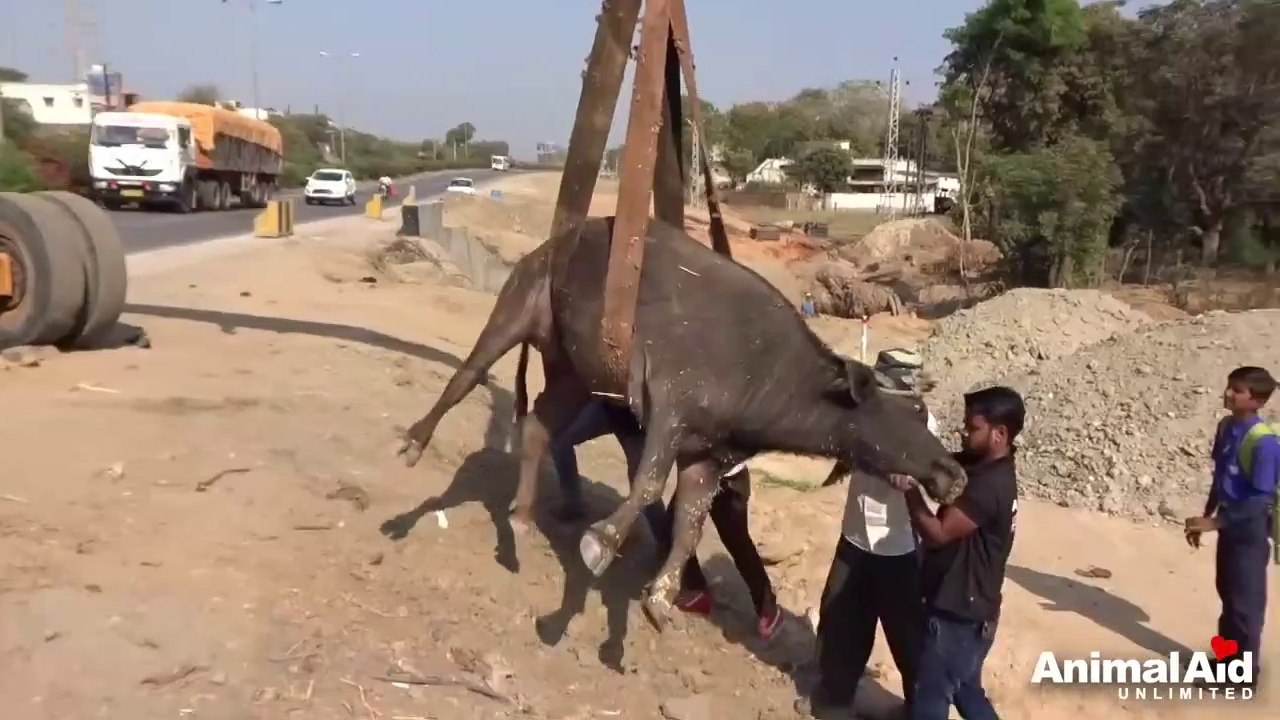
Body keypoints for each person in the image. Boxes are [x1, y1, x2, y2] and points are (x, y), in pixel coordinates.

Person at [551, 400, 782, 640]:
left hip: (726, 482)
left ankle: (769, 608)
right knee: (675, 529)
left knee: (737, 543)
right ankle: (696, 589)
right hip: (698, 479)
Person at [798, 348, 938, 719]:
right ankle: (835, 696)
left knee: (908, 636)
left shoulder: (925, 428)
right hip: (856, 538)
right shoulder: (862, 417)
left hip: (900, 550)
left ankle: (920, 707)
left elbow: (924, 479)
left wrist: (905, 479)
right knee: (841, 620)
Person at [900, 385, 1023, 720]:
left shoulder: (989, 487)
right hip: (976, 612)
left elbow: (939, 534)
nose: (964, 432)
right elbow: (946, 461)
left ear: (999, 434)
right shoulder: (990, 467)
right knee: (966, 690)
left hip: (958, 615)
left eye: (973, 428)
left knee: (931, 698)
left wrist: (909, 492)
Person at [1184, 366, 1278, 687]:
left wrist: (1214, 522)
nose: (1227, 393)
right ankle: (1228, 661)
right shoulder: (1226, 428)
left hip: (1249, 531)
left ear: (1257, 400)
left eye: (1236, 390)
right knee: (1228, 594)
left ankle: (1243, 675)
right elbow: (1220, 477)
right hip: (1228, 524)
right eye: (1229, 387)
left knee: (1245, 605)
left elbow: (1257, 502)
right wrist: (1206, 514)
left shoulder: (1264, 444)